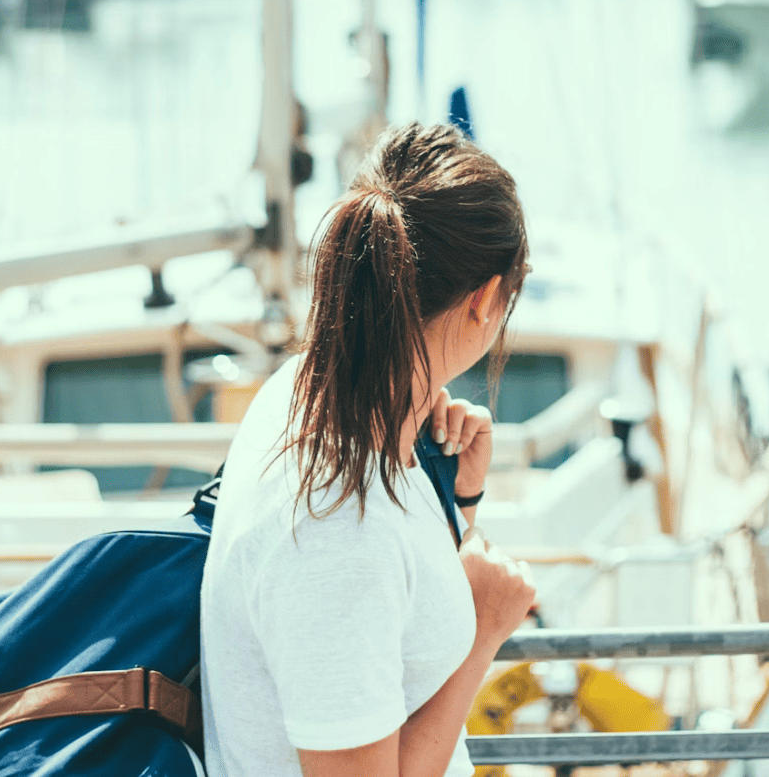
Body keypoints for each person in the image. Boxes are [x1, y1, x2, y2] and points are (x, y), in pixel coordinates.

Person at [200, 122, 536, 777]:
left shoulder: (309, 391)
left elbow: (392, 619)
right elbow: (356, 569)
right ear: (485, 300)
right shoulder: (332, 526)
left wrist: (456, 502)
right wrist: (483, 630)